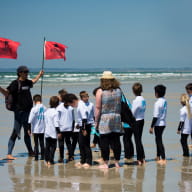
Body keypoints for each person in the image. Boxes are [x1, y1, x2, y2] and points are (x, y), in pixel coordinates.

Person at [0, 65, 44, 159]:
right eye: (25, 72)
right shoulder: (15, 83)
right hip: (19, 112)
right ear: (20, 73)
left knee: (27, 132)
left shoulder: (27, 82)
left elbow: (33, 81)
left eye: (27, 72)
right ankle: (9, 154)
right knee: (15, 132)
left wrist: (39, 75)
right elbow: (7, 93)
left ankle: (31, 152)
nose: (27, 73)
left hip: (29, 112)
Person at [95, 71, 123, 169]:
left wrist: (96, 122)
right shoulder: (118, 90)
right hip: (116, 117)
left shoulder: (100, 91)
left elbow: (98, 108)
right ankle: (116, 162)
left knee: (104, 141)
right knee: (116, 141)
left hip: (105, 118)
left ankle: (106, 163)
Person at [75, 91, 94, 168]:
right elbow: (80, 117)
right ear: (81, 98)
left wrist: (84, 129)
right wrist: (78, 125)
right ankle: (82, 160)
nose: (86, 98)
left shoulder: (90, 104)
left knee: (86, 144)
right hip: (82, 125)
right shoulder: (80, 104)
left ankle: (88, 161)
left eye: (87, 96)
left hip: (86, 126)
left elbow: (85, 118)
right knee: (81, 144)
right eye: (84, 97)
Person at [149, 84, 167, 165]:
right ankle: (158, 156)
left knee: (159, 141)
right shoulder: (164, 100)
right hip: (163, 123)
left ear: (157, 93)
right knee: (158, 140)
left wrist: (151, 127)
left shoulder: (157, 103)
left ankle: (163, 158)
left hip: (158, 124)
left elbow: (155, 116)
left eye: (155, 92)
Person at [56, 92, 75, 163]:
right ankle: (69, 156)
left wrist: (58, 131)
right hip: (67, 128)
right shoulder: (69, 107)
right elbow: (73, 120)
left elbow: (57, 120)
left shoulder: (60, 108)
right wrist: (72, 129)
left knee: (64, 143)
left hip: (63, 129)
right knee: (67, 143)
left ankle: (64, 157)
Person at [28, 94, 46, 161]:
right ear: (41, 100)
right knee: (42, 143)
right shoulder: (45, 108)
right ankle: (42, 156)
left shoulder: (34, 109)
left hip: (35, 129)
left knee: (36, 143)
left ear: (34, 101)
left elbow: (30, 120)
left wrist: (29, 129)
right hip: (43, 128)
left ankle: (36, 157)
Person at [132, 82, 146, 165]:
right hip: (142, 120)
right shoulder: (143, 99)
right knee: (139, 140)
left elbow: (132, 113)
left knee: (137, 141)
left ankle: (139, 159)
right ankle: (142, 157)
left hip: (137, 121)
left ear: (134, 91)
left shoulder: (136, 101)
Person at [44, 96, 60, 165]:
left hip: (47, 131)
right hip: (53, 132)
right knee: (53, 147)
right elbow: (56, 123)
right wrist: (59, 132)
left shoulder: (46, 111)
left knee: (47, 146)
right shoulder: (56, 112)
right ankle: (51, 160)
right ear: (57, 104)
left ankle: (47, 159)